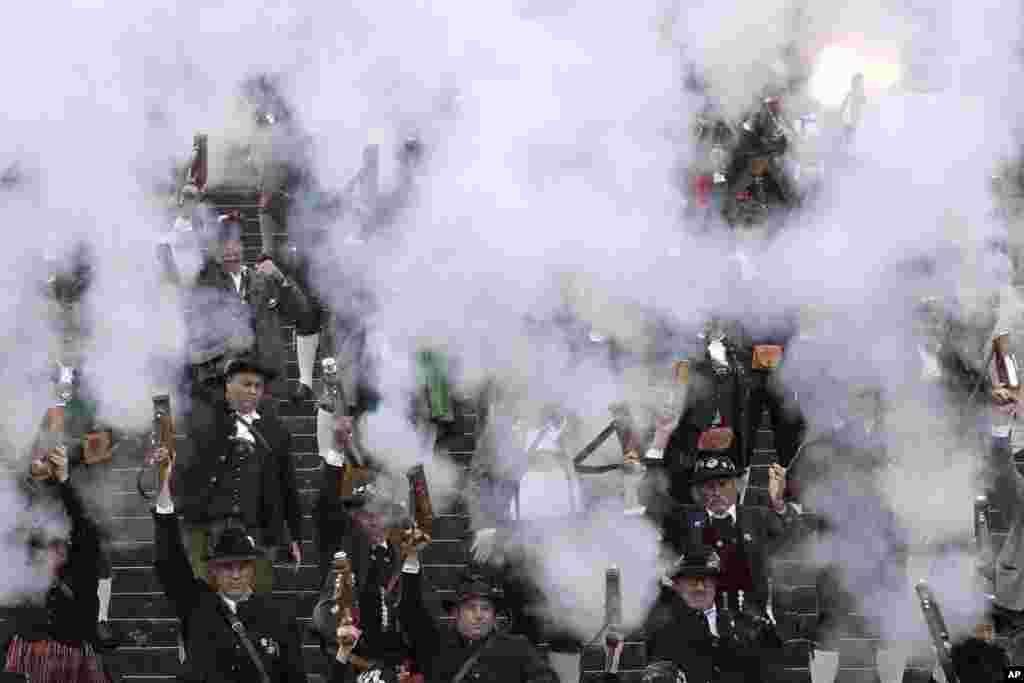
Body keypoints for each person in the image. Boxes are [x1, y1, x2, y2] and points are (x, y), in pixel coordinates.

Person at [150, 446, 306, 682]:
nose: (235, 574)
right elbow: (169, 560)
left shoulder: (279, 617)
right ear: (213, 570)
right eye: (226, 567)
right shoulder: (195, 604)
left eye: (241, 566)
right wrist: (167, 484)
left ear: (253, 569)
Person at [176, 355, 301, 594]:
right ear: (227, 386)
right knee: (205, 599)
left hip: (259, 530)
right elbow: (186, 473)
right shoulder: (206, 424)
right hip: (209, 529)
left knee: (260, 601)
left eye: (258, 386)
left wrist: (294, 536)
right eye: (246, 384)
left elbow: (288, 487)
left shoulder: (276, 431)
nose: (253, 391)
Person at [2, 448, 112, 683]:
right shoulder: (23, 529)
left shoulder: (79, 538)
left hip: (68, 643)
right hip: (31, 640)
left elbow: (85, 531)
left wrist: (63, 481)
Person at [662, 453, 794, 619]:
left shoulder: (758, 517)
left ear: (737, 486)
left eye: (723, 484)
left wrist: (778, 503)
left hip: (752, 619)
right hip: (700, 621)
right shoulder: (682, 520)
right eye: (709, 486)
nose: (717, 492)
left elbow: (795, 537)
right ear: (698, 491)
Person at [380, 563, 558, 683]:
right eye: (471, 608)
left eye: (486, 609)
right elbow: (412, 609)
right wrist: (411, 557)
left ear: (494, 615)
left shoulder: (517, 648)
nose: (479, 615)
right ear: (456, 613)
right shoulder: (434, 644)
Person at [312, 478, 413, 667]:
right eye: (366, 515)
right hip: (353, 660)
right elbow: (325, 611)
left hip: (395, 661)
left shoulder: (404, 556)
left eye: (381, 513)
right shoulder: (342, 552)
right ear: (355, 517)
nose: (374, 521)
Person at [645, 546, 782, 683]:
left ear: (717, 582)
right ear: (678, 585)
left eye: (706, 579)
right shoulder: (663, 636)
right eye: (692, 580)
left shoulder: (749, 629)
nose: (700, 587)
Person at [839, 73, 866, 146]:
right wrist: (841, 115)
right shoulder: (850, 93)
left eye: (859, 82)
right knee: (848, 140)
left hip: (857, 122)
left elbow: (865, 106)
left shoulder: (862, 94)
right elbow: (843, 106)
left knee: (853, 140)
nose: (856, 84)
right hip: (849, 122)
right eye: (855, 82)